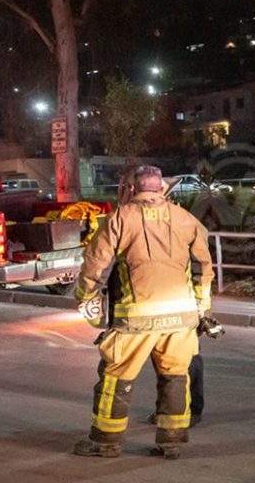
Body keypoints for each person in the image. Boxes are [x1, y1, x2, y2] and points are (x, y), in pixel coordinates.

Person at [72, 165, 213, 460]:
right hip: (181, 318)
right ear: (161, 188)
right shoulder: (186, 219)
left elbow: (96, 264)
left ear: (133, 189)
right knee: (175, 377)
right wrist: (202, 309)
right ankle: (171, 442)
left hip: (136, 319)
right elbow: (203, 267)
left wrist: (85, 297)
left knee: (115, 378)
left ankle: (106, 443)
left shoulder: (119, 219)